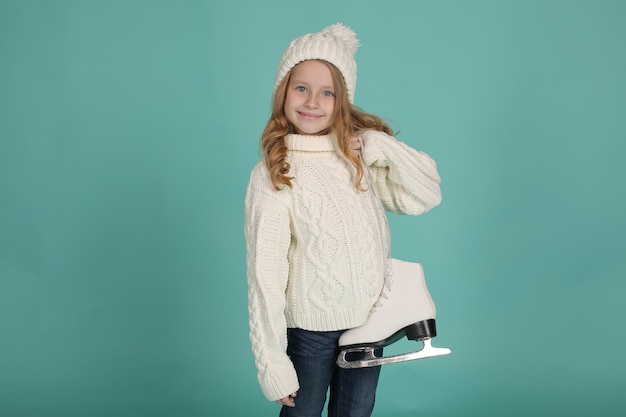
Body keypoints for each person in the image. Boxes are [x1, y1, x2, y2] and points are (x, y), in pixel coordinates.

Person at [244, 23, 443, 417]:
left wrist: (379, 144)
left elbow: (427, 194)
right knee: (303, 412)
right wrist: (272, 362)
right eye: (301, 87)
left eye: (327, 92)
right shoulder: (273, 173)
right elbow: (264, 276)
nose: (313, 101)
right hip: (310, 333)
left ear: (343, 101)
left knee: (355, 413)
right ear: (283, 91)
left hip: (371, 323)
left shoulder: (359, 155)